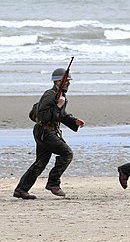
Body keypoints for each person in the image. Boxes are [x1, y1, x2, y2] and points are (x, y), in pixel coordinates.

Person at [13, 68, 85, 199]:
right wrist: (58, 106)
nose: (68, 83)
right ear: (58, 81)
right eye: (66, 81)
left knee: (40, 162)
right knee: (67, 154)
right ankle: (53, 184)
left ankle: (21, 190)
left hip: (47, 131)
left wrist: (74, 121)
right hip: (44, 131)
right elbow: (43, 116)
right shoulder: (50, 95)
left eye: (69, 81)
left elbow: (61, 116)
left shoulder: (60, 95)